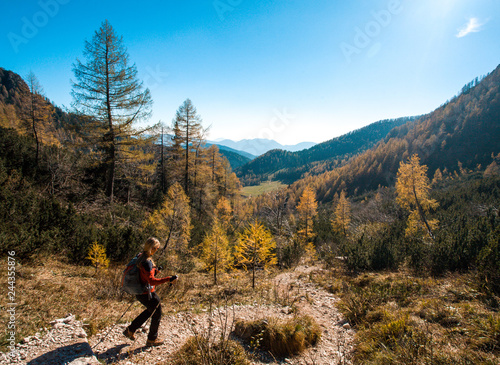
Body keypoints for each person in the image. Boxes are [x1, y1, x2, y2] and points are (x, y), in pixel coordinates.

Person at [123, 237, 178, 347]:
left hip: (139, 292)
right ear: (152, 248)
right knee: (157, 314)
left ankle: (131, 329)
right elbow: (151, 281)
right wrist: (169, 279)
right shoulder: (147, 262)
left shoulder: (139, 257)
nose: (157, 250)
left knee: (150, 310)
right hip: (147, 293)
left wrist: (155, 271)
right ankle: (152, 339)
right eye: (157, 248)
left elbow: (145, 276)